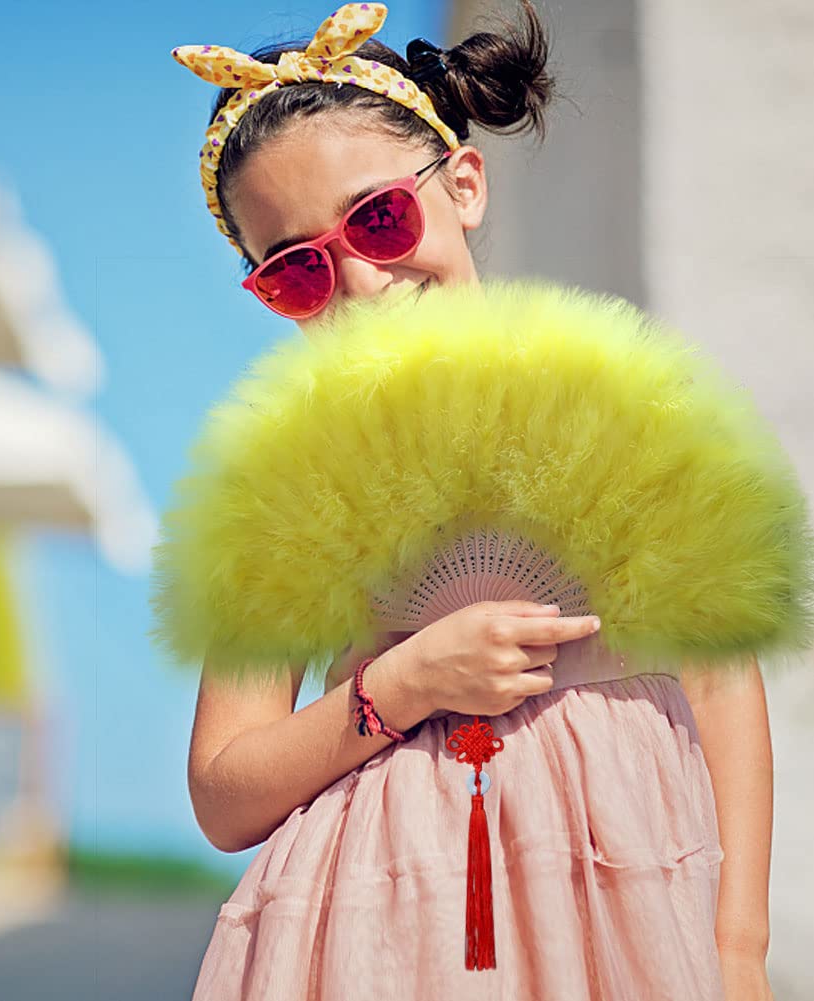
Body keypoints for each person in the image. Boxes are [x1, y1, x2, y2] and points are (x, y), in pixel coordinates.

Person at [171, 3, 774, 999]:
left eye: (376, 218)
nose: (360, 281)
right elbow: (224, 789)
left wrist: (739, 949)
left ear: (461, 184)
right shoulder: (285, 483)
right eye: (297, 271)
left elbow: (719, 682)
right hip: (373, 925)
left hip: (622, 911)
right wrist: (399, 684)